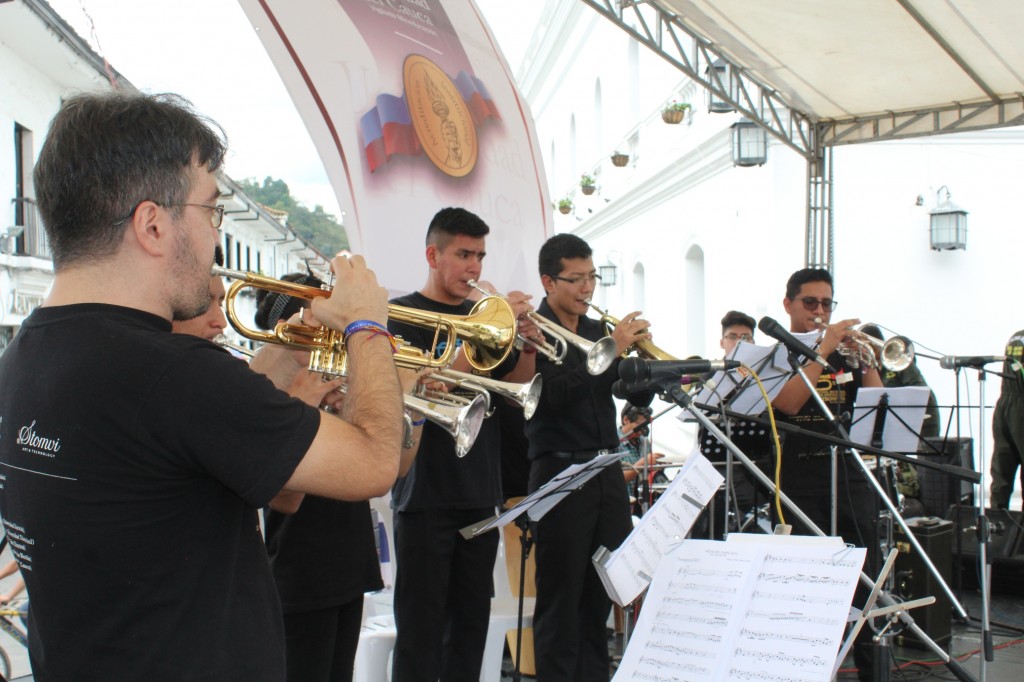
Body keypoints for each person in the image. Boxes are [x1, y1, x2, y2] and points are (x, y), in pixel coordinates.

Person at [0, 91, 404, 680]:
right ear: (153, 224)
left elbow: (202, 427)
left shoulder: (25, 355)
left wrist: (291, 344)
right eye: (211, 211)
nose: (216, 236)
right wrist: (368, 323)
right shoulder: (173, 372)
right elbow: (373, 461)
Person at [386, 207, 541, 682]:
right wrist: (485, 332)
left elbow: (518, 388)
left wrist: (526, 340)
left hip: (480, 492)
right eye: (463, 254)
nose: (474, 267)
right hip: (425, 493)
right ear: (433, 255)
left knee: (469, 632)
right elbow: (426, 385)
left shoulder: (486, 317)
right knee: (419, 634)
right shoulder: (402, 314)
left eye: (480, 256)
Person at [525, 233, 651, 681]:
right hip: (558, 469)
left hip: (605, 469)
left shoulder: (599, 332)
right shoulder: (533, 331)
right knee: (561, 598)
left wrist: (642, 368)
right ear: (548, 281)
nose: (587, 289)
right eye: (575, 279)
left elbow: (626, 394)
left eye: (592, 278)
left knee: (602, 591)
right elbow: (548, 398)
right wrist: (611, 351)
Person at [248, 274, 386, 682]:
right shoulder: (270, 386)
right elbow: (284, 500)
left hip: (349, 561)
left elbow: (390, 470)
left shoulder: (337, 380)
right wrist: (309, 406)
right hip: (299, 570)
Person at [770, 267, 882, 681]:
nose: (820, 311)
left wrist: (864, 357)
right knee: (809, 589)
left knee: (866, 582)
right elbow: (788, 403)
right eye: (810, 303)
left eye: (827, 303)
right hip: (799, 480)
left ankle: (872, 669)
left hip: (848, 475)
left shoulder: (842, 349)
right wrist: (824, 345)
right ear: (789, 305)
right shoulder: (776, 351)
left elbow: (875, 402)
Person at [990, 328, 1024, 511]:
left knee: (1001, 471)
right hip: (1021, 405)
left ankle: (998, 531)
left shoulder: (1016, 336)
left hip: (1004, 405)